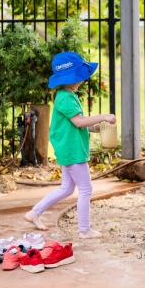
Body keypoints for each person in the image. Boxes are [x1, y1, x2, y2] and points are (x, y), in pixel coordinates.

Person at [24, 52, 116, 239]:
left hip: (69, 148)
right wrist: (104, 116)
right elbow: (79, 122)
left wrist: (96, 128)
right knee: (86, 189)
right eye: (80, 77)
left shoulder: (67, 96)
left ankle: (35, 212)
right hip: (72, 151)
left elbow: (75, 125)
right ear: (71, 78)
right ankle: (84, 230)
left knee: (66, 188)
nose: (82, 80)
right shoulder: (65, 98)